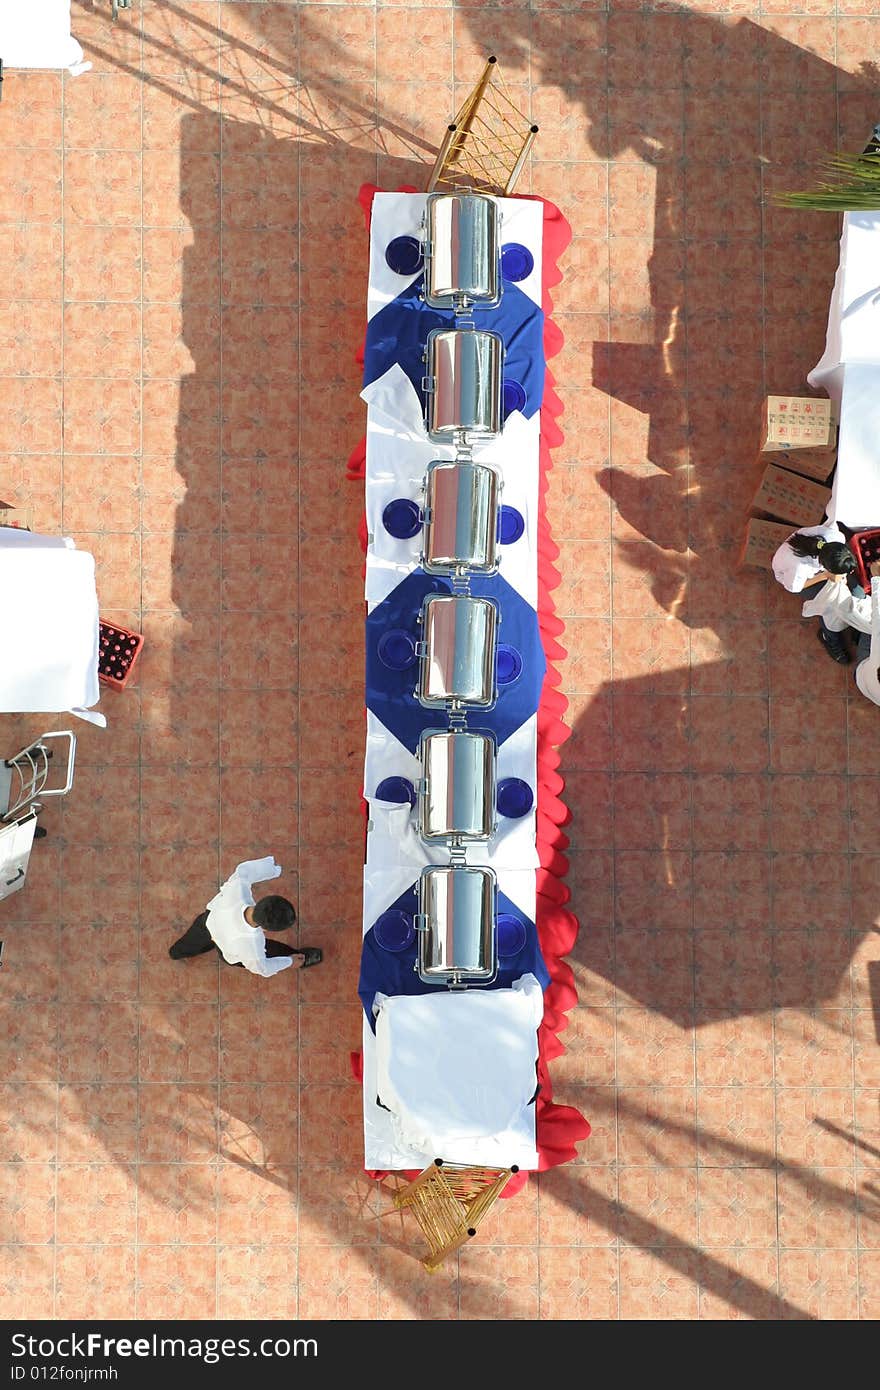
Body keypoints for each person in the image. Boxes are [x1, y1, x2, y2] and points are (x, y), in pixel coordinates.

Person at [168, 855, 322, 976]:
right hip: (227, 950)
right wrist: (289, 961)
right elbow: (263, 968)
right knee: (273, 951)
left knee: (190, 942)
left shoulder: (238, 888)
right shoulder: (252, 947)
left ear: (262, 901)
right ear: (266, 929)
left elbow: (244, 870)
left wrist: (274, 870)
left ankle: (177, 952)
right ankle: (298, 958)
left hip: (207, 923)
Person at [771, 522, 859, 663]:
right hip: (797, 579)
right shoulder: (800, 567)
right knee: (831, 607)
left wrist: (838, 576)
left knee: (857, 593)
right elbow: (795, 587)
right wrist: (824, 576)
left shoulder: (834, 537)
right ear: (826, 567)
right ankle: (829, 637)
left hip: (824, 568)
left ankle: (855, 623)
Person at [854, 560, 880, 706]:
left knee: (868, 626)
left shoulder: (878, 655)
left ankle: (855, 635)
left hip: (863, 674)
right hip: (874, 693)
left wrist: (876, 577)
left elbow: (877, 614)